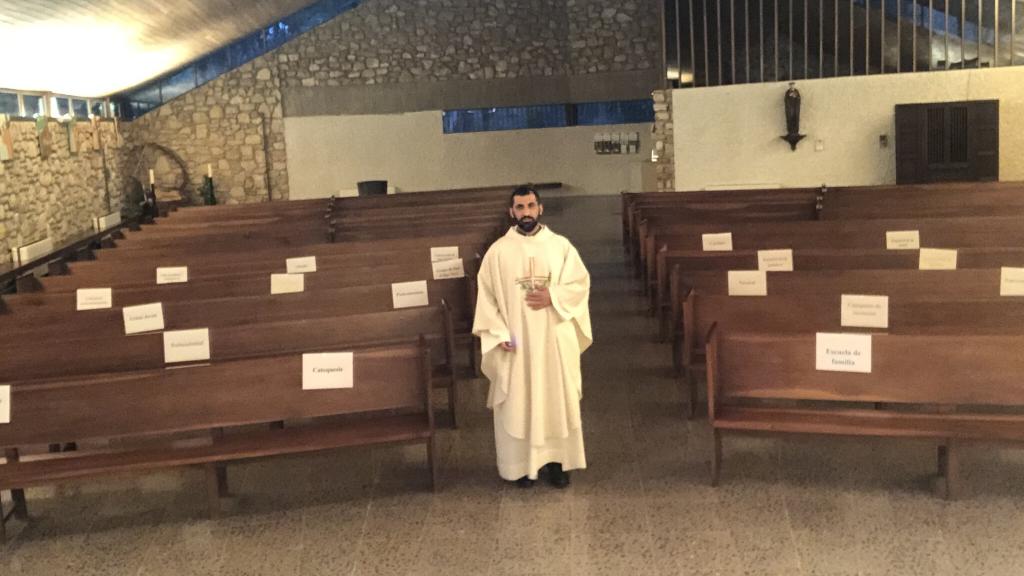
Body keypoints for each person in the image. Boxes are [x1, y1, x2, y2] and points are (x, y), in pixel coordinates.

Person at [472, 185, 592, 488]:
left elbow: (580, 283)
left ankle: (557, 463)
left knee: (555, 400)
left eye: (531, 205)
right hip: (518, 344)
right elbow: (486, 298)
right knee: (519, 401)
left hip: (553, 341)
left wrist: (553, 296)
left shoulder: (561, 246)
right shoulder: (498, 252)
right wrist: (497, 333)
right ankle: (521, 467)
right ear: (511, 212)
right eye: (520, 207)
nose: (526, 212)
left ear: (541, 208)